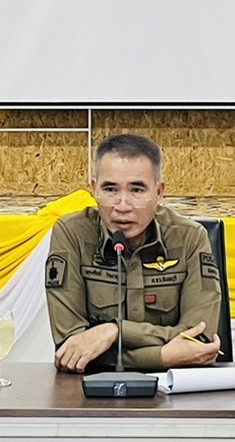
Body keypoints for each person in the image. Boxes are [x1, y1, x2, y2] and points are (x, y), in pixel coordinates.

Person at [47, 133, 224, 373]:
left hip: (176, 387)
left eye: (137, 190)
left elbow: (199, 340)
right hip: (93, 387)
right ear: (94, 189)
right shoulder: (72, 234)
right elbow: (72, 348)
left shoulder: (190, 238)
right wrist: (163, 356)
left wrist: (114, 331)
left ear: (159, 193)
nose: (122, 205)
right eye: (110, 189)